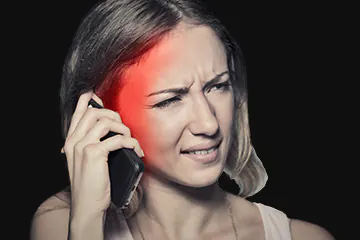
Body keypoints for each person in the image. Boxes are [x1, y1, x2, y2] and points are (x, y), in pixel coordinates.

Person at [30, 0, 335, 239]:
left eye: (218, 86)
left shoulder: (303, 237)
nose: (210, 125)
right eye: (171, 99)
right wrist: (86, 224)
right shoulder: (63, 224)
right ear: (101, 113)